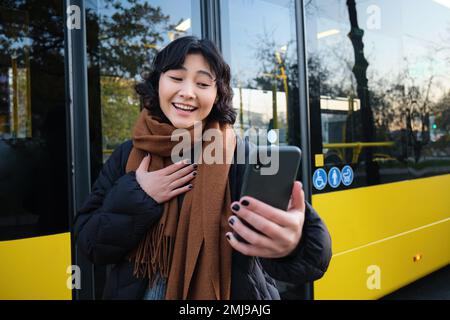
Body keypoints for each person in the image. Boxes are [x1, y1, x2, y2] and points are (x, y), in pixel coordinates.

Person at [73, 36, 332, 300]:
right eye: (176, 77)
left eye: (203, 83)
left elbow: (310, 255)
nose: (188, 91)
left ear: (217, 93)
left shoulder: (241, 154)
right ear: (157, 82)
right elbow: (90, 243)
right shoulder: (127, 154)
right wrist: (140, 195)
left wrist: (292, 244)